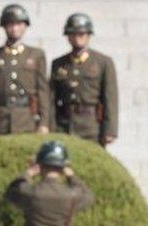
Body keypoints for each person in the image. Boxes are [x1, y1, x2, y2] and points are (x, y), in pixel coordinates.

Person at [0, 4, 50, 139]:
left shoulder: (36, 55)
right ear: (3, 26)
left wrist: (44, 123)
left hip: (27, 118)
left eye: (19, 24)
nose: (14, 28)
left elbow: (43, 91)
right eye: (10, 24)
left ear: (25, 26)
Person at [50, 13, 118, 146]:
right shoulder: (58, 63)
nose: (77, 38)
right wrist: (51, 125)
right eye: (73, 34)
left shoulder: (103, 62)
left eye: (81, 34)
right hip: (65, 124)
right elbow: (52, 97)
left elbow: (110, 98)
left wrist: (110, 130)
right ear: (68, 37)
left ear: (89, 36)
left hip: (91, 125)